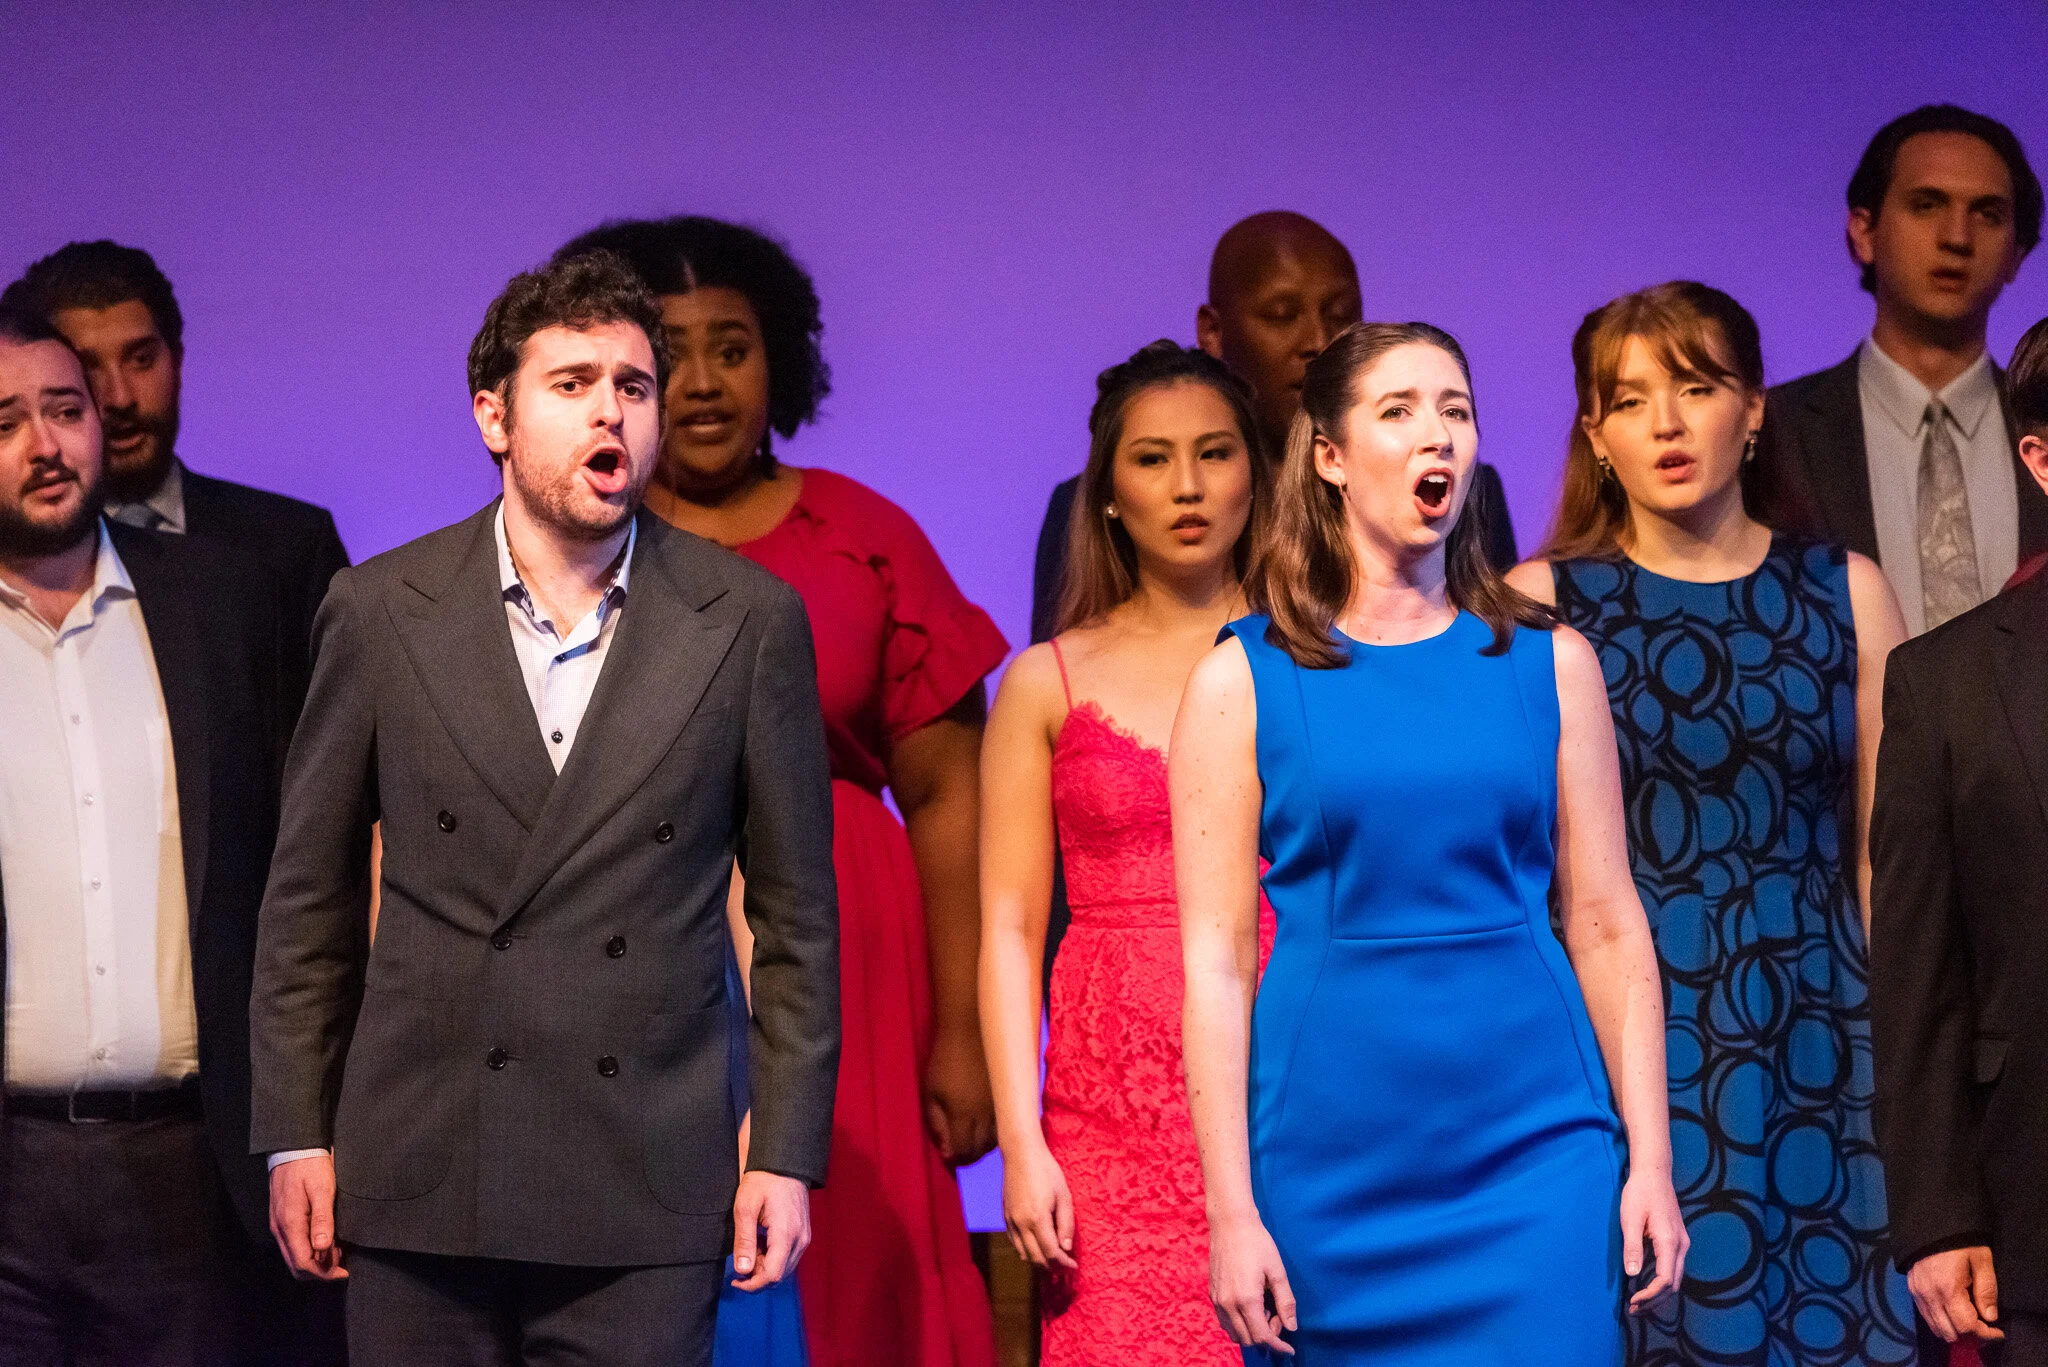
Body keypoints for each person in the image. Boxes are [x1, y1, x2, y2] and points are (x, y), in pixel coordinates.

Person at [250, 251, 840, 1367]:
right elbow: (308, 901)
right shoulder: (380, 611)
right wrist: (292, 1130)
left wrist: (785, 1150)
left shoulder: (745, 621)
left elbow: (798, 915)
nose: (609, 410)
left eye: (632, 385)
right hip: (425, 1163)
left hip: (643, 1176)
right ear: (494, 416)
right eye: (570, 384)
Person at [1173, 321, 1684, 1361]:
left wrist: (1651, 1161)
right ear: (1327, 455)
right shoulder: (1242, 678)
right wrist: (1229, 1209)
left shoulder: (1549, 663)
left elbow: (1603, 921)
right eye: (1397, 411)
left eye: (1454, 410)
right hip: (1331, 1156)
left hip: (1532, 1144)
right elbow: (1216, 962)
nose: (1434, 435)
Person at [553, 218, 1004, 1367]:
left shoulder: (863, 535)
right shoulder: (572, 542)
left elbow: (951, 795)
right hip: (632, 936)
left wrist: (963, 1031)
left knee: (847, 1258)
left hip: (848, 937)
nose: (702, 383)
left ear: (781, 364)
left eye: (734, 349)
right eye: (670, 349)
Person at [1507, 281, 1915, 1363]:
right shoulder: (1539, 603)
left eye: (1695, 386)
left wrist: (1909, 1055)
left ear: (1753, 406)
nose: (1667, 423)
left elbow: (1890, 857)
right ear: (1593, 433)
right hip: (1627, 1024)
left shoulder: (1844, 590)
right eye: (1630, 399)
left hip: (1824, 1023)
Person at [1028, 213, 1519, 1005]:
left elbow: (1489, 709)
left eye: (1339, 313)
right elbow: (1078, 786)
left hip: (1415, 923)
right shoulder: (1116, 508)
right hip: (1187, 949)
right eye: (1283, 315)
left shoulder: (1454, 489)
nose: (1317, 340)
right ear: (1215, 330)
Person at [0, 306, 304, 1362]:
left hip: (189, 1159)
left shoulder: (222, 604)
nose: (46, 444)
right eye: (5, 421)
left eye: (65, 410)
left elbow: (300, 872)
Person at [981, 340, 1276, 1365]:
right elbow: (1012, 929)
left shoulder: (1321, 655)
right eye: (1152, 459)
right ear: (1106, 489)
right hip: (1107, 1107)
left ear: (1258, 470)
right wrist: (1022, 1141)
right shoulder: (1044, 678)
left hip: (1292, 1064)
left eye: (1214, 452)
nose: (1187, 485)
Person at [1872, 313, 2048, 1365]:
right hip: (2032, 1197)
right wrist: (1938, 1214)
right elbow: (1915, 966)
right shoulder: (1943, 683)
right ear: (2038, 456)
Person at [3, 242, 351, 710]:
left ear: (178, 362)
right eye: (88, 368)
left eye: (141, 359)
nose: (121, 397)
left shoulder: (290, 549)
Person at [1765, 105, 2047, 637]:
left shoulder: (2043, 422)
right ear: (1863, 231)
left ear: (2019, 253)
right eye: (1926, 205)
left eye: (1988, 213)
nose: (1957, 237)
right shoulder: (1772, 431)